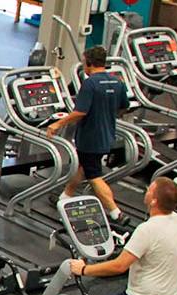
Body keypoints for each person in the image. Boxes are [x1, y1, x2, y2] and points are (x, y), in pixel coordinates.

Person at [47, 46, 128, 220]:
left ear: (89, 63)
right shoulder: (117, 82)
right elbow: (123, 107)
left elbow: (80, 112)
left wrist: (58, 124)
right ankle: (65, 196)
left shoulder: (90, 83)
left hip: (90, 138)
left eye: (84, 62)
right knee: (82, 166)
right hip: (107, 135)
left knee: (94, 176)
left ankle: (116, 213)